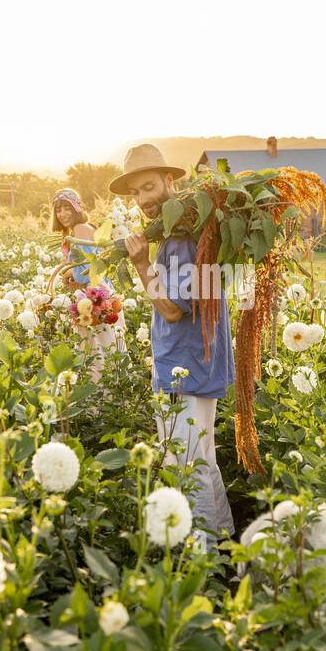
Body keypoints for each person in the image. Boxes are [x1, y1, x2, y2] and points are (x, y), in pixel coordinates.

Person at [109, 144, 235, 552]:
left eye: (148, 187)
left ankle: (203, 558)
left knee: (186, 463)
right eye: (136, 193)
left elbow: (172, 309)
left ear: (170, 180)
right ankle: (224, 541)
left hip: (184, 367)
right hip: (197, 362)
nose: (144, 199)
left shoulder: (182, 240)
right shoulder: (188, 232)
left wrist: (141, 265)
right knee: (204, 458)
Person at [51, 188, 124, 379]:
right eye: (59, 209)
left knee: (98, 361)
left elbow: (89, 272)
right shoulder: (83, 228)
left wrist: (68, 272)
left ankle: (101, 406)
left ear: (77, 208)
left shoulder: (80, 229)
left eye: (67, 208)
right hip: (100, 297)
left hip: (97, 301)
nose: (63, 213)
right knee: (108, 357)